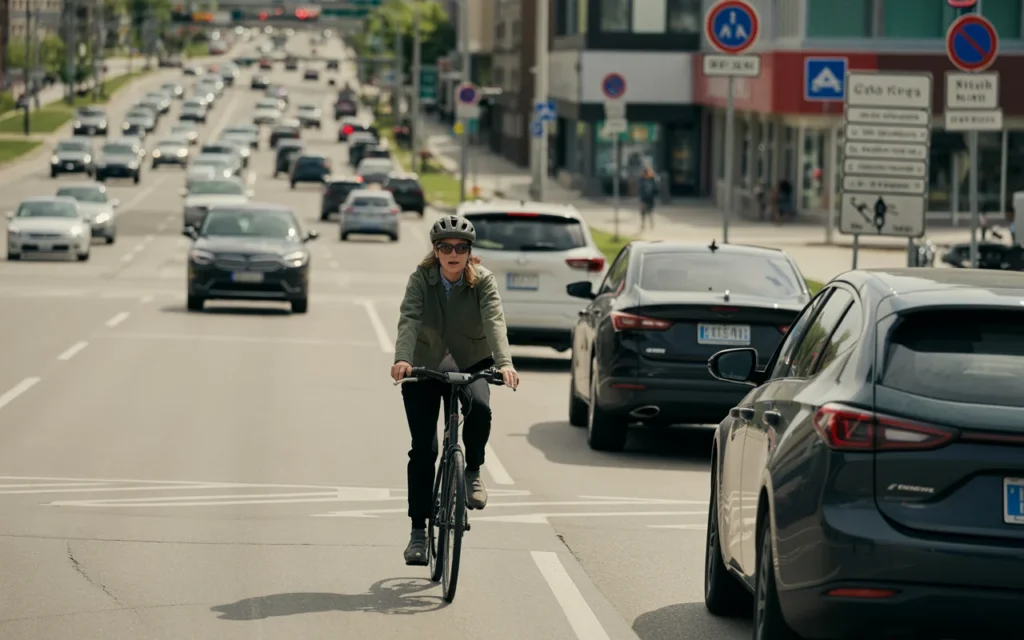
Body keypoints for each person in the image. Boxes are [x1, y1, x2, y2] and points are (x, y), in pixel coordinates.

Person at [390, 215, 520, 566]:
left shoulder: (483, 282)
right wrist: (403, 359)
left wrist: (504, 363)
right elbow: (410, 319)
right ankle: (418, 532)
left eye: (461, 248)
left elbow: (495, 320)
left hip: (471, 363)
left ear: (469, 252)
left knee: (480, 407)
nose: (453, 253)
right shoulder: (421, 279)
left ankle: (473, 469)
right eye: (446, 247)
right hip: (424, 366)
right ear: (435, 250)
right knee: (423, 450)